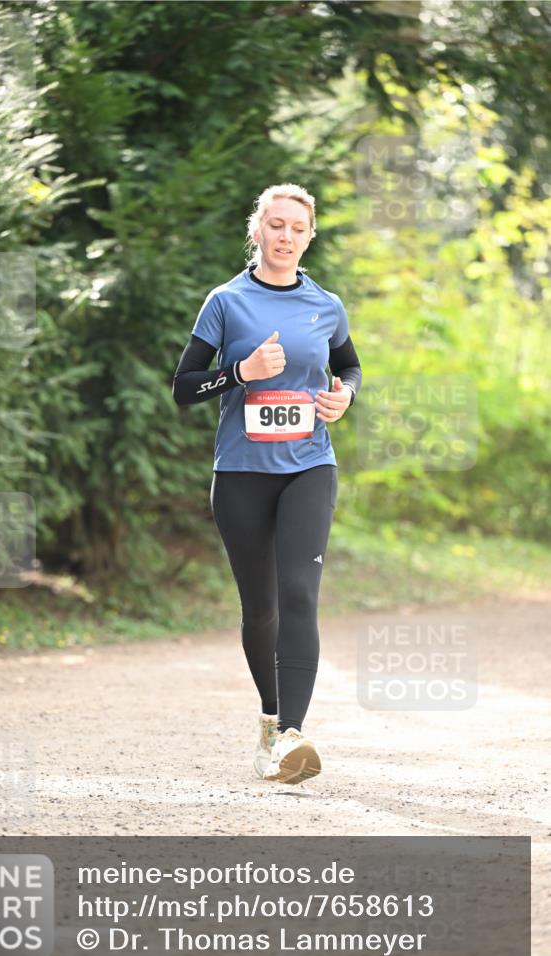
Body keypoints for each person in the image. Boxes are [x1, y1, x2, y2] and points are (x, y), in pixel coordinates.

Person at [172, 183, 362, 785]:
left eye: (296, 228)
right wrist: (240, 373)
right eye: (274, 225)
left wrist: (344, 395)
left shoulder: (326, 305)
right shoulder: (226, 302)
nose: (285, 236)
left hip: (309, 464)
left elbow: (349, 364)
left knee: (301, 594)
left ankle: (290, 739)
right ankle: (271, 718)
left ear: (310, 236)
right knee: (262, 609)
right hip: (241, 476)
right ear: (257, 230)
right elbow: (184, 387)